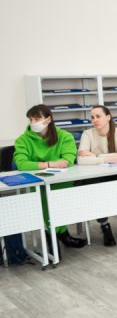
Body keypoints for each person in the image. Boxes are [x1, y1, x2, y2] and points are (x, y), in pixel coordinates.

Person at [13, 104, 87, 248]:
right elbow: (21, 164)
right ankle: (55, 236)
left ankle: (60, 234)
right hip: (38, 182)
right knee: (46, 201)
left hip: (61, 180)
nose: (33, 123)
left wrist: (38, 164)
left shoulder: (64, 136)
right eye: (31, 120)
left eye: (37, 119)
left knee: (62, 201)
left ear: (48, 119)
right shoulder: (22, 140)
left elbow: (68, 160)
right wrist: (49, 164)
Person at [77, 105, 117, 246]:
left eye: (98, 116)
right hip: (96, 176)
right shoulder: (87, 134)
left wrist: (95, 156)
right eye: (92, 117)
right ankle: (105, 226)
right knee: (95, 192)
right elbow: (81, 160)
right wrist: (107, 159)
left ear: (108, 117)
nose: (95, 120)